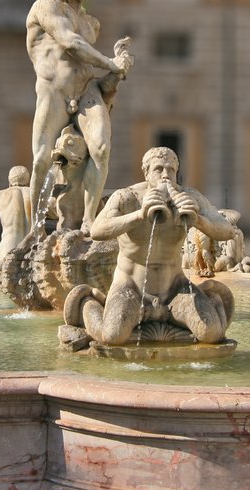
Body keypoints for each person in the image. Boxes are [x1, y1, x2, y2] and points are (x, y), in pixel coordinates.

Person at [66, 147, 235, 345]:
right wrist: (138, 215)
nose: (166, 175)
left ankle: (210, 299)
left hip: (174, 289)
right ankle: (90, 303)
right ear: (146, 172)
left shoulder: (190, 197)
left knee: (212, 334)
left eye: (171, 170)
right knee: (112, 336)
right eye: (159, 169)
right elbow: (97, 230)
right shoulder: (127, 197)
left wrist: (198, 220)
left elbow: (227, 231)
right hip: (131, 288)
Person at [26, 0, 133, 231]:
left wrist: (119, 68)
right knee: (40, 160)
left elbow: (86, 59)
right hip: (53, 91)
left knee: (101, 148)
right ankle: (35, 229)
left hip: (87, 89)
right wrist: (111, 63)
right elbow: (69, 42)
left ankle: (88, 222)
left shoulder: (91, 24)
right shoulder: (45, 6)